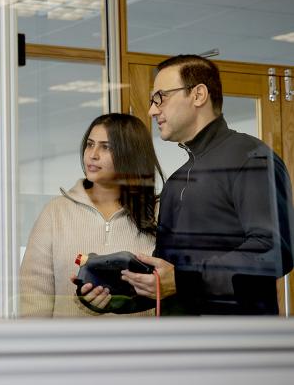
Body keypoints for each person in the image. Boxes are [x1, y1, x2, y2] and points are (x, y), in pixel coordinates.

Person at [125, 55, 293, 315]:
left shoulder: (250, 158)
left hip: (233, 345)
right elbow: (168, 277)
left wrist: (185, 280)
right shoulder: (177, 180)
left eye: (160, 97)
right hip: (181, 343)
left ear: (198, 94)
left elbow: (273, 248)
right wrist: (115, 291)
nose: (152, 110)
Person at [20, 113, 162, 317]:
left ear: (130, 154)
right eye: (90, 144)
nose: (92, 155)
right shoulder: (55, 212)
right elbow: (33, 298)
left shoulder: (160, 212)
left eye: (106, 147)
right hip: (69, 347)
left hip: (139, 347)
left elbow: (172, 292)